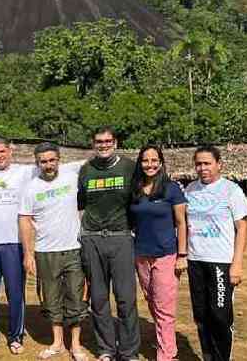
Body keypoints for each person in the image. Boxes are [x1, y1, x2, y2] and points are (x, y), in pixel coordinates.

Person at [0, 137, 83, 355]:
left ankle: (15, 336)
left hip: (14, 242)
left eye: (2, 151)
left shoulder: (25, 171)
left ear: (10, 151)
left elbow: (61, 166)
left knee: (15, 292)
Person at [19, 143, 89, 361]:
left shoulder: (71, 175)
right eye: (43, 161)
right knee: (51, 299)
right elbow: (24, 219)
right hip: (45, 251)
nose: (48, 165)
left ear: (59, 159)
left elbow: (96, 156)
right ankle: (58, 342)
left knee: (76, 297)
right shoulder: (31, 188)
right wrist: (28, 253)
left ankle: (76, 344)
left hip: (73, 248)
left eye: (52, 160)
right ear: (37, 163)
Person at [77, 126, 140, 361]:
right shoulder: (86, 170)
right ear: (93, 144)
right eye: (98, 141)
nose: (103, 145)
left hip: (120, 237)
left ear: (115, 142)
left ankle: (129, 351)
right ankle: (105, 348)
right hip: (92, 238)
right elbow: (81, 204)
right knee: (99, 298)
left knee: (125, 298)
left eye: (107, 141)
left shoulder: (129, 167)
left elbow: (139, 199)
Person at [185, 145, 247, 361]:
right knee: (201, 316)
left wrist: (237, 264)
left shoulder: (231, 190)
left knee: (220, 316)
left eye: (207, 163)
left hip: (221, 263)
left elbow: (242, 227)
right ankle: (208, 357)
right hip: (196, 261)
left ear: (219, 164)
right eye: (198, 164)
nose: (202, 168)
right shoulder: (190, 190)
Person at [130, 145, 187, 361]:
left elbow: (182, 223)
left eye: (154, 160)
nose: (150, 164)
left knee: (164, 305)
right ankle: (163, 339)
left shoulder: (171, 189)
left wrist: (182, 255)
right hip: (141, 255)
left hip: (166, 254)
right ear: (140, 163)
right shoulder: (135, 189)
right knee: (151, 300)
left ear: (161, 163)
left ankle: (167, 354)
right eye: (145, 160)